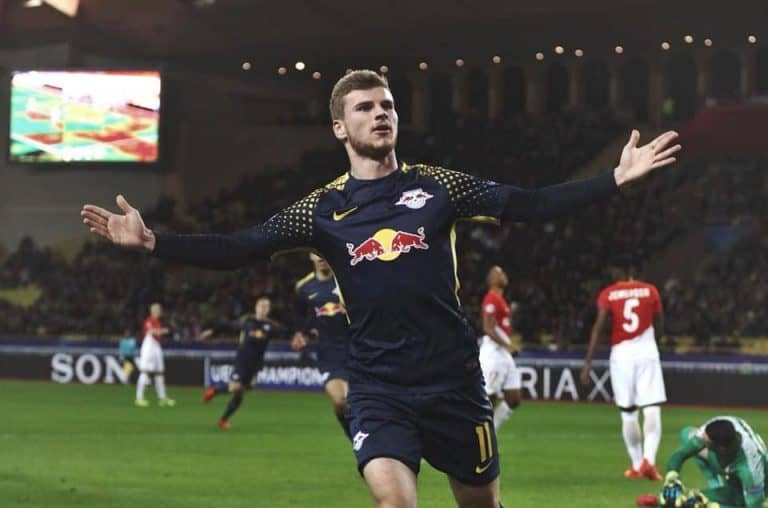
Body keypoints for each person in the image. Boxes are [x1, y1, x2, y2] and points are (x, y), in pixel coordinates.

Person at [82, 69, 681, 508]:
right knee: (394, 501)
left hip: (454, 382)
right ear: (340, 127)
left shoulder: (439, 187)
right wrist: (155, 242)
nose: (381, 114)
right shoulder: (322, 209)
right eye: (365, 107)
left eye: (388, 105)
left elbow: (530, 204)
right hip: (378, 384)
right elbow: (242, 247)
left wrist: (614, 179)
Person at [579, 264, 665, 481]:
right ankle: (649, 461)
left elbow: (598, 328)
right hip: (646, 349)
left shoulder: (608, 294)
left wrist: (588, 363)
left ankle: (636, 465)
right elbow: (660, 323)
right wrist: (655, 344)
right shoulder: (650, 290)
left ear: (616, 275)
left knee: (628, 412)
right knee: (652, 408)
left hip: (622, 353)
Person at [291, 253, 352, 439]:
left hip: (357, 350)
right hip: (329, 353)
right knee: (340, 402)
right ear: (310, 256)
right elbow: (302, 317)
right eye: (316, 253)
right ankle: (356, 441)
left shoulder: (346, 279)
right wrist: (300, 334)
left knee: (363, 403)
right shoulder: (303, 287)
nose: (321, 257)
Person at [201, 296, 283, 429]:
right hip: (242, 360)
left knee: (240, 392)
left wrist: (303, 334)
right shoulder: (247, 321)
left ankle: (223, 420)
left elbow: (287, 331)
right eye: (261, 306)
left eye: (266, 307)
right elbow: (228, 326)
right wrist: (212, 331)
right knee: (234, 387)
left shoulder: (272, 327)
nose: (263, 309)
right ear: (256, 307)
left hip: (255, 364)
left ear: (269, 310)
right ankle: (214, 391)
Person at [656, 416, 767, 508]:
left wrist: (711, 506)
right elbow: (680, 455)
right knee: (687, 434)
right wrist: (672, 479)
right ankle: (715, 484)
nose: (701, 440)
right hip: (728, 464)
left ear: (721, 449)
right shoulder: (717, 426)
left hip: (751, 490)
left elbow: (754, 505)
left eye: (707, 443)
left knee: (695, 503)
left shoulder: (750, 470)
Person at [478, 266, 521, 432]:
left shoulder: (500, 299)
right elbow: (487, 327)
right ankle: (479, 438)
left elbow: (499, 327)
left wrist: (509, 342)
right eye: (500, 273)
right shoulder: (491, 298)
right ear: (492, 280)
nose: (504, 275)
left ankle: (491, 433)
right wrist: (507, 345)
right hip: (493, 353)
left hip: (503, 353)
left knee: (514, 398)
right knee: (489, 397)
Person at [136, 302, 175, 407]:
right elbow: (152, 332)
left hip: (157, 346)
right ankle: (139, 398)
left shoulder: (158, 322)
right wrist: (164, 330)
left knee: (159, 372)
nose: (160, 312)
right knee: (145, 372)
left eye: (160, 310)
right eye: (158, 310)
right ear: (152, 311)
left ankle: (162, 398)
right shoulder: (149, 320)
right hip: (149, 346)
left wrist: (162, 331)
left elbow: (158, 333)